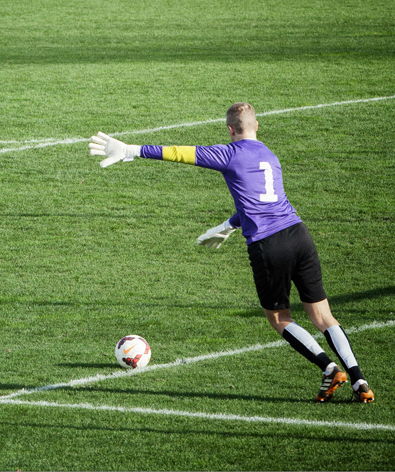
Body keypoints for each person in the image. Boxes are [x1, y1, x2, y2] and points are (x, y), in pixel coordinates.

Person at [88, 102, 374, 403]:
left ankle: (329, 368)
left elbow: (179, 153)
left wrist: (131, 150)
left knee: (279, 317)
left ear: (229, 129)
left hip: (269, 245)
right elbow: (261, 203)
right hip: (299, 235)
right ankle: (359, 379)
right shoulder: (269, 155)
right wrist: (227, 225)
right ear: (257, 125)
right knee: (323, 315)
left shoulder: (228, 154)